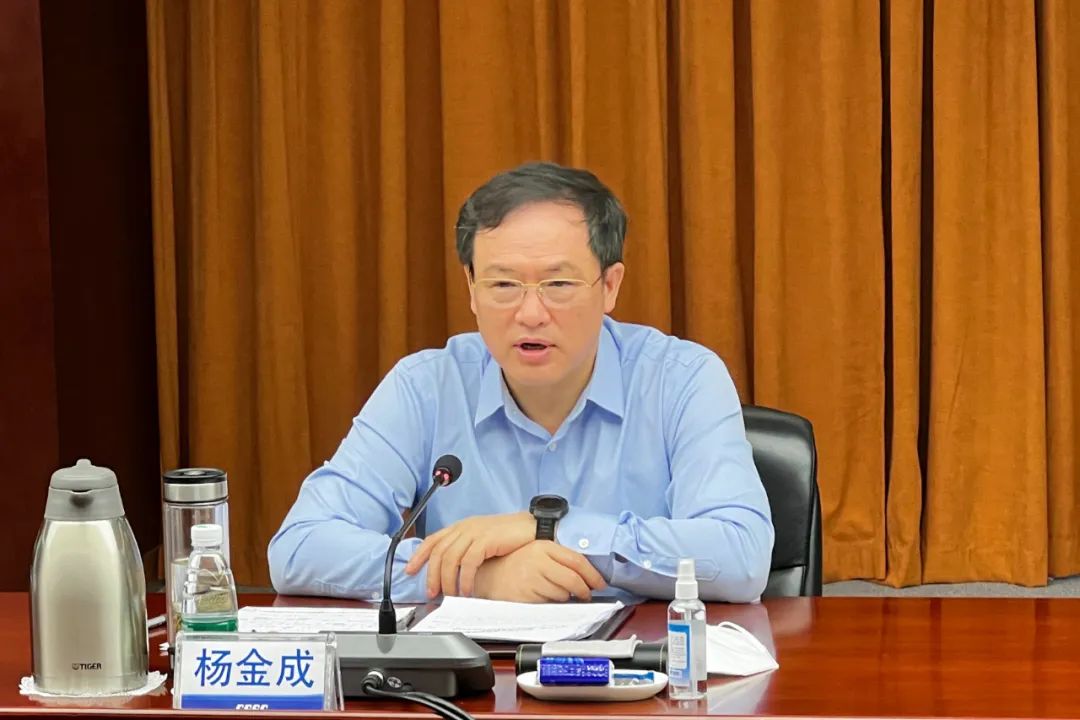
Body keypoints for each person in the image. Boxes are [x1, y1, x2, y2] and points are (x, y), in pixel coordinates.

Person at [268, 162, 774, 604]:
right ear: (472, 288)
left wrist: (551, 531)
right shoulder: (426, 387)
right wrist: (478, 576)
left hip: (642, 671)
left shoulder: (680, 380)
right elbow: (300, 548)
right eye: (504, 284)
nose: (531, 313)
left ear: (610, 285)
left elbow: (741, 555)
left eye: (558, 284)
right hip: (476, 677)